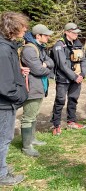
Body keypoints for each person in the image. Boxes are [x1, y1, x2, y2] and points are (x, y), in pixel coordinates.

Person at [0, 12, 29, 186]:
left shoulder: (8, 46)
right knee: (3, 138)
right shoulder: (3, 50)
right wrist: (20, 95)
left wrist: (18, 73)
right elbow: (4, 85)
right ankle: (1, 175)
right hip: (4, 104)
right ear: (13, 28)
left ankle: (1, 166)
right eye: (22, 26)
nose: (25, 29)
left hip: (6, 103)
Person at [20, 24, 54, 157]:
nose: (48, 37)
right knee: (28, 117)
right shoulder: (29, 49)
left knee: (33, 115)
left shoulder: (39, 48)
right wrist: (46, 67)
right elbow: (38, 70)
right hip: (32, 87)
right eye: (46, 35)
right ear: (37, 36)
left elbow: (50, 61)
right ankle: (26, 146)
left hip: (38, 86)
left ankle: (32, 139)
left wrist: (45, 64)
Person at [50, 22, 86, 135]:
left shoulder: (78, 43)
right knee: (60, 101)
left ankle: (71, 121)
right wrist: (74, 76)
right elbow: (62, 65)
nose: (76, 34)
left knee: (73, 100)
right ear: (66, 32)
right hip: (63, 79)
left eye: (77, 32)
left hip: (77, 78)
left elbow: (84, 60)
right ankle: (56, 125)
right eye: (74, 32)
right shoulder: (59, 45)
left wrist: (82, 74)